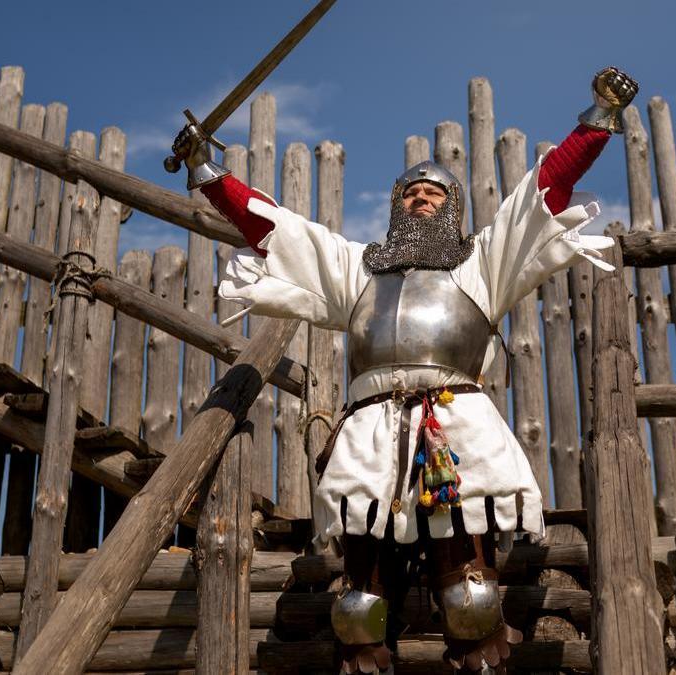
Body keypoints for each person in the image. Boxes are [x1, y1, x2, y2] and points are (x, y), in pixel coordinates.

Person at [173, 67, 637, 674]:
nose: (421, 197)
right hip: (371, 437)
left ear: (453, 209)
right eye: (411, 194)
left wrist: (600, 116)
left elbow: (543, 192)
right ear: (396, 207)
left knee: (470, 601)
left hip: (453, 433)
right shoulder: (358, 270)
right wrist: (205, 171)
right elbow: (275, 230)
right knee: (358, 609)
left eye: (434, 194)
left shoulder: (481, 264)